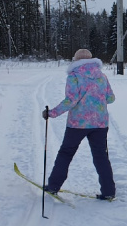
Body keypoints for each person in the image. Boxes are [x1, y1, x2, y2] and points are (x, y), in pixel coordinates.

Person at [43, 49, 117, 200]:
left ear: (76, 60)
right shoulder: (101, 76)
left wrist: (52, 113)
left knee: (66, 153)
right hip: (100, 123)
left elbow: (71, 100)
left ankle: (53, 187)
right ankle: (108, 191)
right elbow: (110, 99)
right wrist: (97, 99)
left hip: (78, 124)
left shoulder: (74, 75)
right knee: (101, 156)